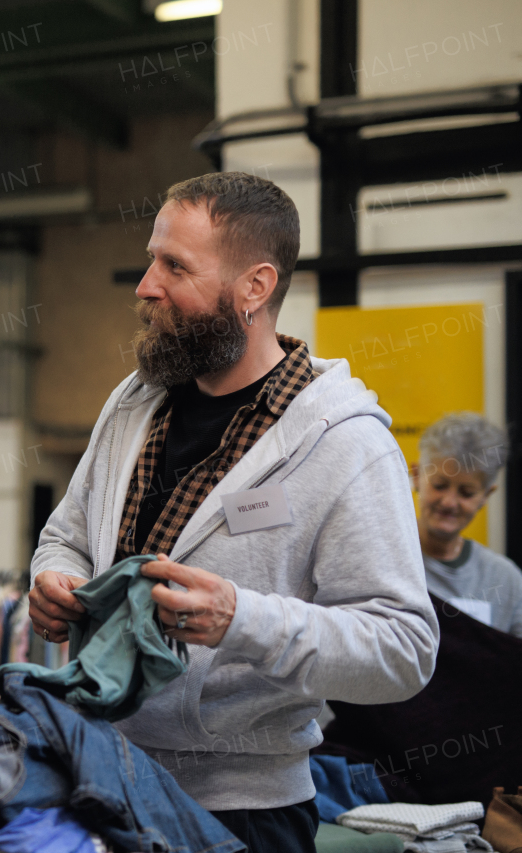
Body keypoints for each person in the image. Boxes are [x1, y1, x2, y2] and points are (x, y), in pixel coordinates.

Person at [27, 171, 438, 853]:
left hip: (244, 813)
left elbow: (402, 649)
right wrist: (55, 578)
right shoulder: (133, 403)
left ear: (255, 287)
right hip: (99, 777)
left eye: (174, 266)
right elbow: (65, 536)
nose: (145, 285)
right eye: (152, 257)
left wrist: (240, 619)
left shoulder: (347, 444)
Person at [415, 412, 522, 636]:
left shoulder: (505, 580)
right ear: (417, 477)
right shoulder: (384, 561)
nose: (449, 502)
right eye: (440, 485)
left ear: (486, 496)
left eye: (467, 492)